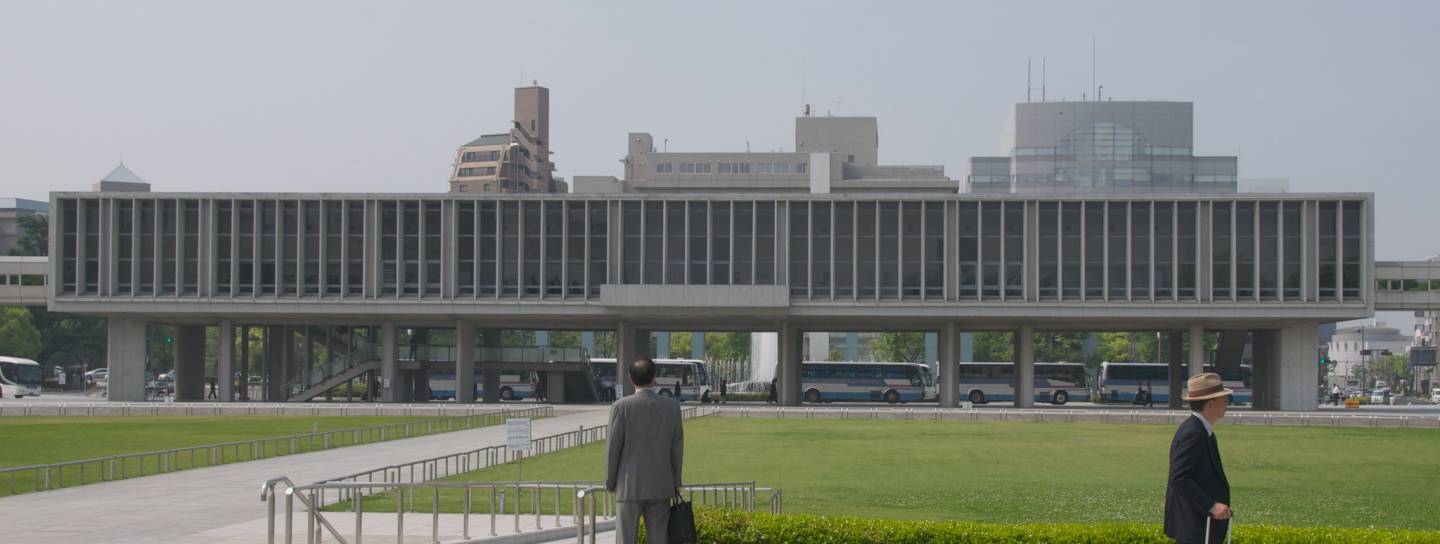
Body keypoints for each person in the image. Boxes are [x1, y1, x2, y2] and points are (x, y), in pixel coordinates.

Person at [606, 358, 684, 544]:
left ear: (631, 379)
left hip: (628, 485)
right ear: (654, 378)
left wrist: (610, 482)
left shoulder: (621, 407)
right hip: (661, 484)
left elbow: (613, 448)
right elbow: (677, 448)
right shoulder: (672, 407)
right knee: (658, 539)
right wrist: (676, 481)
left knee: (625, 539)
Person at [1165, 373, 1233, 544]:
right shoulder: (1194, 433)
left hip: (1200, 525)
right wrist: (1211, 505)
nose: (1227, 403)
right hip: (1196, 526)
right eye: (1223, 399)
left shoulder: (1201, 430)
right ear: (1210, 403)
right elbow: (1179, 478)